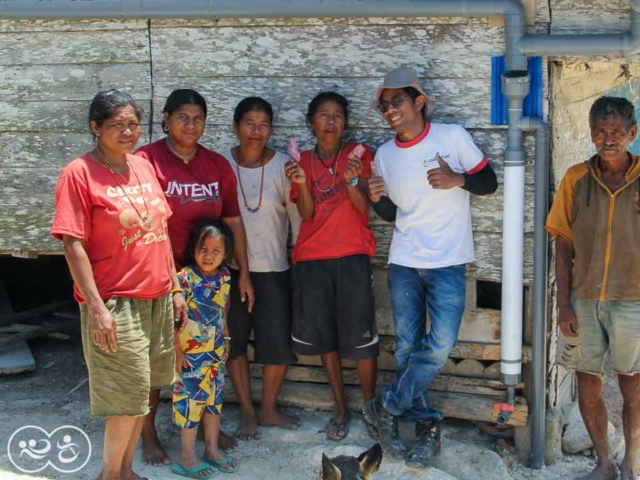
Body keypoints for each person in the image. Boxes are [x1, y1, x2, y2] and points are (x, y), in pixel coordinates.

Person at [362, 67, 498, 467]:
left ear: (419, 102)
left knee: (438, 345)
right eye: (384, 105)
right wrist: (374, 198)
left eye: (397, 101)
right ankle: (425, 424)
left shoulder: (451, 137)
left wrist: (457, 178)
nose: (390, 110)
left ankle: (388, 405)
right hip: (405, 260)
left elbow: (488, 182)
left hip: (448, 261)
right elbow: (390, 215)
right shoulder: (385, 155)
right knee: (407, 346)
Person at [51, 90, 184, 480]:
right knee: (125, 400)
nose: (128, 132)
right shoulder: (78, 173)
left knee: (143, 395)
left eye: (133, 124)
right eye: (117, 125)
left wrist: (175, 289)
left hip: (157, 297)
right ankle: (110, 475)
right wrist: (96, 308)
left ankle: (126, 472)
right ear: (95, 128)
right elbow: (72, 244)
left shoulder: (141, 165)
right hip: (115, 302)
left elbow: (160, 232)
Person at [135, 89, 253, 463]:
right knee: (161, 357)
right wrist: (170, 284)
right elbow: (143, 226)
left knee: (206, 355)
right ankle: (148, 432)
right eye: (182, 117)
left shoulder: (217, 166)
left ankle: (206, 428)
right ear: (166, 119)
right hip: (157, 276)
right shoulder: (145, 162)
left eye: (197, 118)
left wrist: (243, 272)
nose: (190, 125)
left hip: (206, 280)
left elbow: (233, 220)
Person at [546, 96, 640, 480]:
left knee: (632, 384)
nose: (608, 138)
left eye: (616, 131)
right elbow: (562, 241)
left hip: (633, 300)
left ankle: (631, 461)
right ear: (591, 134)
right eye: (600, 131)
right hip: (583, 299)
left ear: (632, 133)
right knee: (587, 381)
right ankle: (603, 462)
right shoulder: (575, 179)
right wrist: (564, 304)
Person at [284, 91, 379, 441]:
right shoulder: (302, 161)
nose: (331, 121)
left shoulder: (358, 155)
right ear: (312, 122)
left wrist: (353, 179)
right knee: (326, 339)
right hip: (312, 259)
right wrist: (300, 184)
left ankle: (370, 406)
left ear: (345, 123)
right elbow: (306, 214)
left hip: (352, 255)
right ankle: (341, 407)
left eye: (338, 115)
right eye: (323, 115)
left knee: (362, 339)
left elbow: (362, 205)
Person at [221, 97, 302, 440]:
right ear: (236, 126)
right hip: (230, 268)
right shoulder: (220, 164)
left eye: (264, 124)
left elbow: (297, 222)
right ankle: (248, 412)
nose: (257, 131)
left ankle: (268, 408)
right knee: (235, 343)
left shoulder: (283, 166)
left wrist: (300, 265)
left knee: (276, 344)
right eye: (249, 124)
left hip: (274, 269)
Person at [172, 220, 238, 479]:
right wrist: (176, 350)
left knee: (213, 404)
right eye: (203, 248)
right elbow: (174, 317)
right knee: (191, 405)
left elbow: (223, 308)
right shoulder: (184, 278)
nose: (208, 255)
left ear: (225, 254)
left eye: (216, 250)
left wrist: (227, 336)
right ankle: (187, 456)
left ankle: (211, 449)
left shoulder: (224, 277)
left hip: (215, 353)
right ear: (193, 248)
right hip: (190, 356)